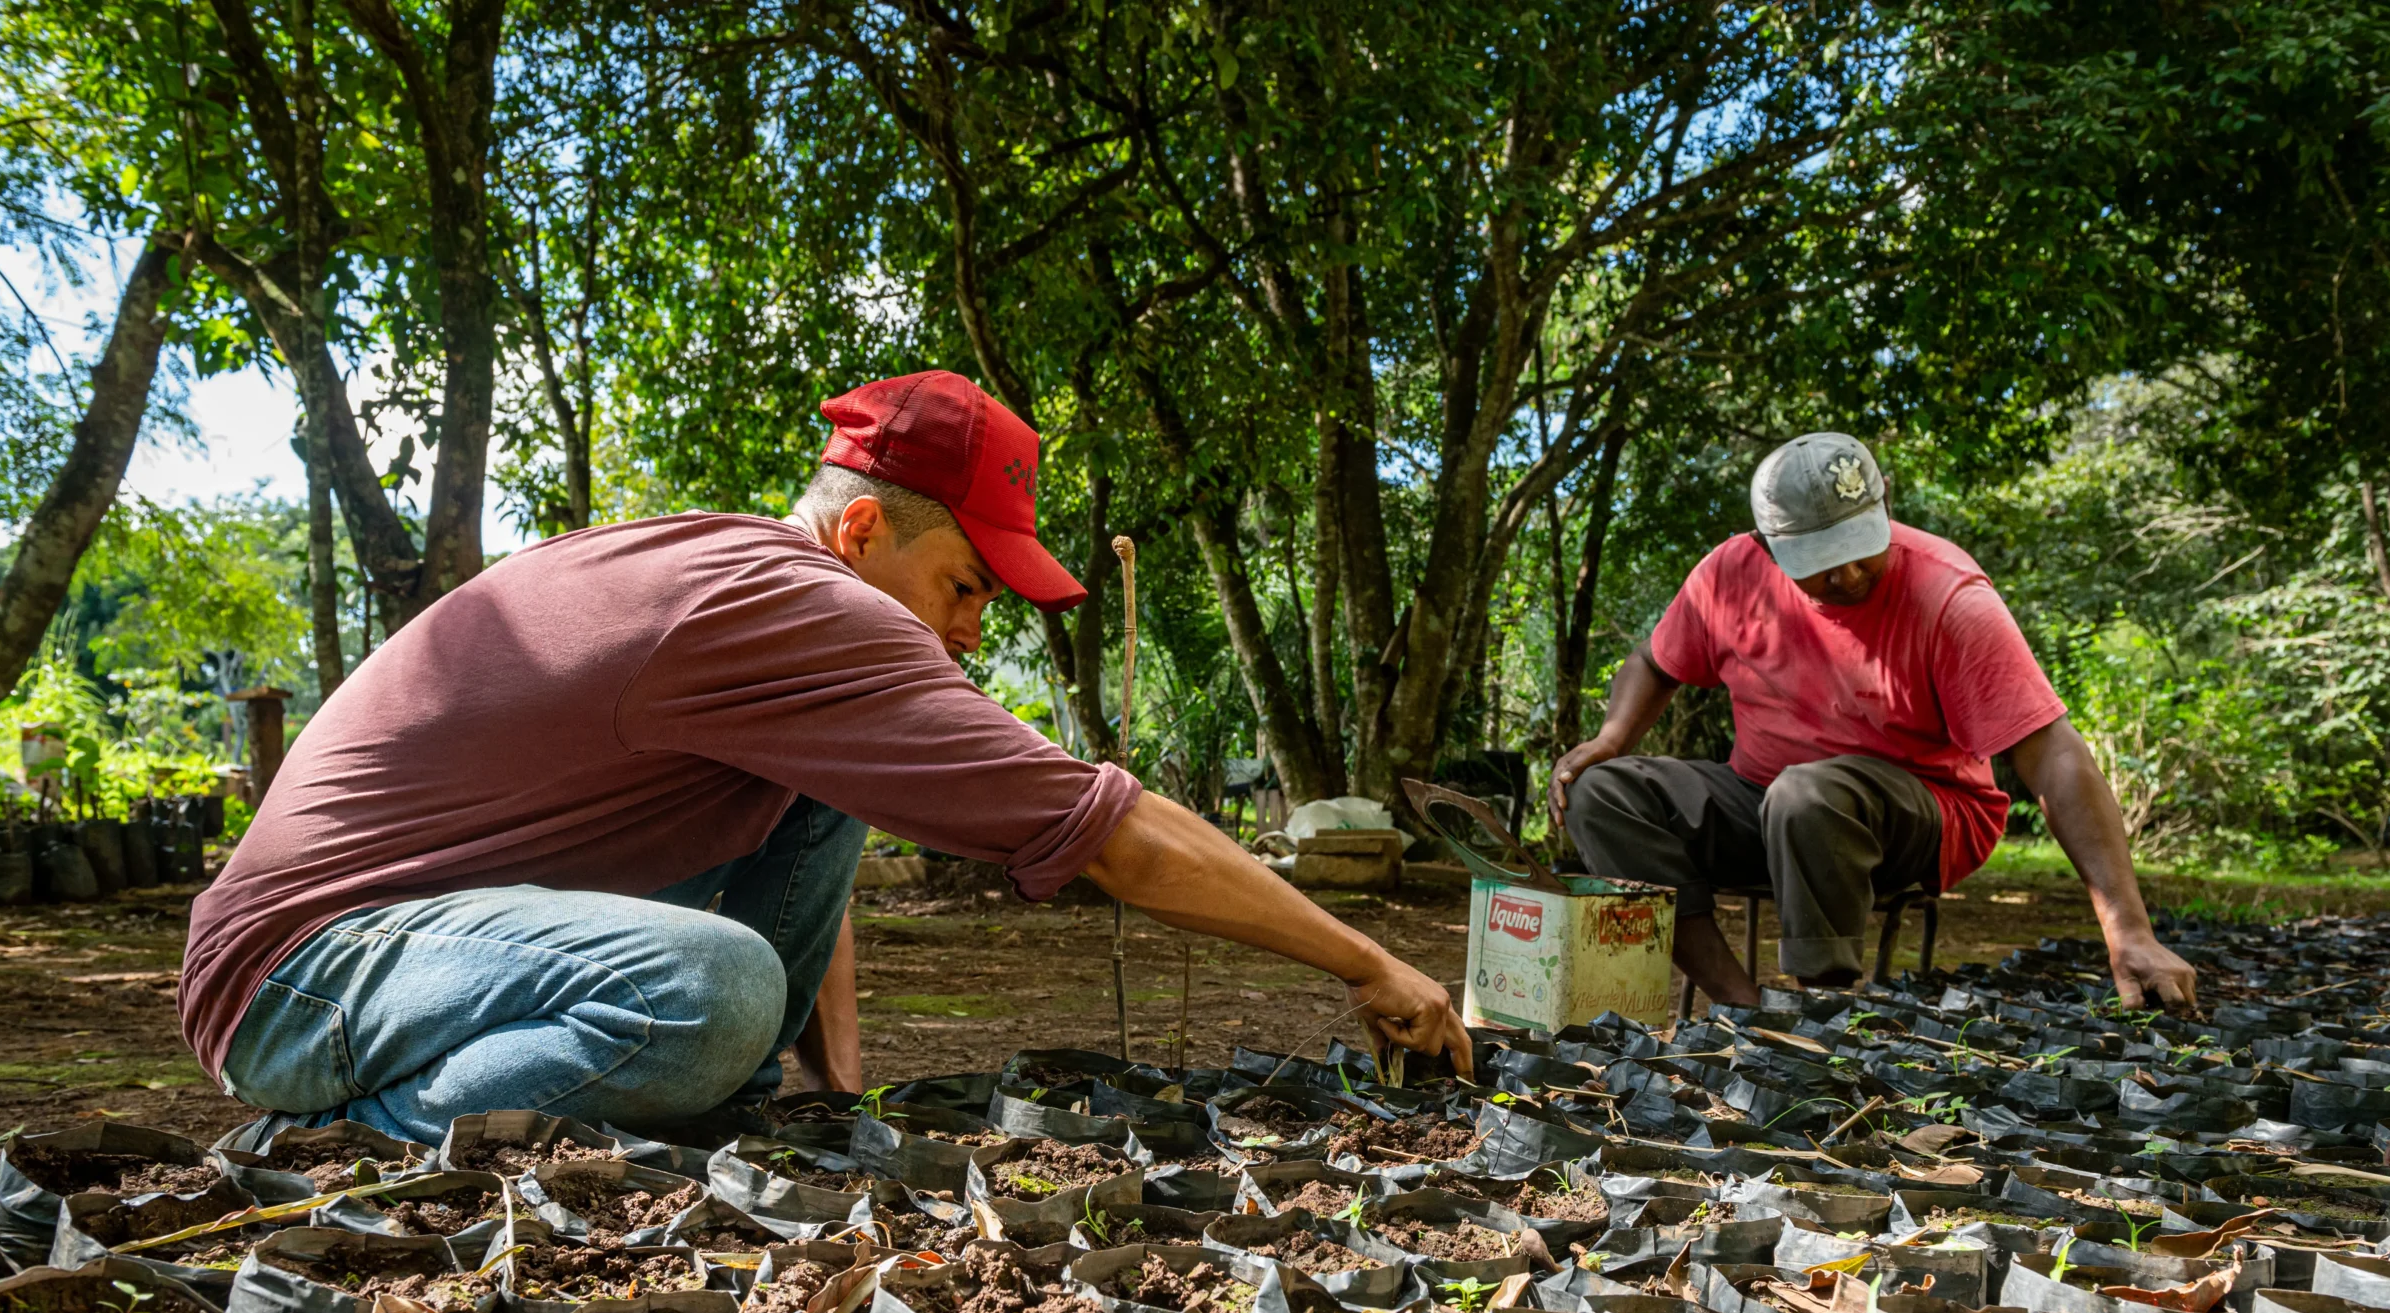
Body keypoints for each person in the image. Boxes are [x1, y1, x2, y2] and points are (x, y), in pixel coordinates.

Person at [180, 370, 1471, 1144]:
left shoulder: (757, 591)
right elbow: (1110, 830)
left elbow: (813, 846)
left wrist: (835, 1094)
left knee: (811, 832)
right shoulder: (797, 605)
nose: (974, 629)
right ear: (861, 530)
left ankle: (730, 1092)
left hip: (422, 947)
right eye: (964, 583)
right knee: (714, 985)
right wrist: (1369, 961)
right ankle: (357, 1135)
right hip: (302, 975)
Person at [1548, 431, 2196, 1013]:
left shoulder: (1949, 596)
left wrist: (2128, 929)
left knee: (1805, 795)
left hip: (1920, 812)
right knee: (1600, 792)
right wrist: (1611, 739)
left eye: (1862, 547)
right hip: (1766, 802)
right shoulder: (1728, 576)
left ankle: (1824, 1008)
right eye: (1823, 561)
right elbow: (1653, 662)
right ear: (1768, 548)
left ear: (1885, 501)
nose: (1851, 573)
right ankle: (1745, 1009)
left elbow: (2050, 751)